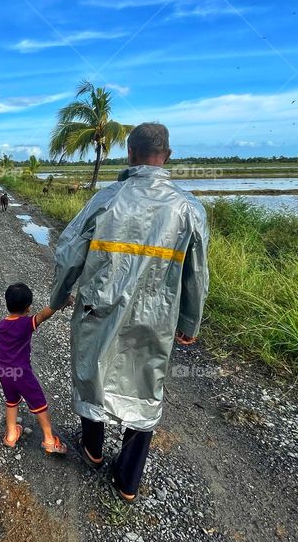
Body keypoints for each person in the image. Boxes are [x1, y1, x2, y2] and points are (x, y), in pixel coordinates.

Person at [50, 122, 209, 501]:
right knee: (146, 383)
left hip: (99, 308)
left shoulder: (106, 198)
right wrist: (189, 321)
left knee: (92, 371)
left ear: (131, 154)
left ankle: (92, 449)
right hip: (157, 316)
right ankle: (128, 480)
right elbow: (196, 274)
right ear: (167, 157)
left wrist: (58, 298)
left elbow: (69, 252)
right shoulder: (189, 208)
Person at [0, 283, 70, 455]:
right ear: (28, 308)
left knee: (11, 401)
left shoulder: (0, 325)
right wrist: (59, 303)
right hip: (22, 373)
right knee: (39, 404)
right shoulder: (26, 323)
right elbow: (44, 315)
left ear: (7, 303)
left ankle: (11, 435)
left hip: (4, 372)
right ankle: (49, 440)